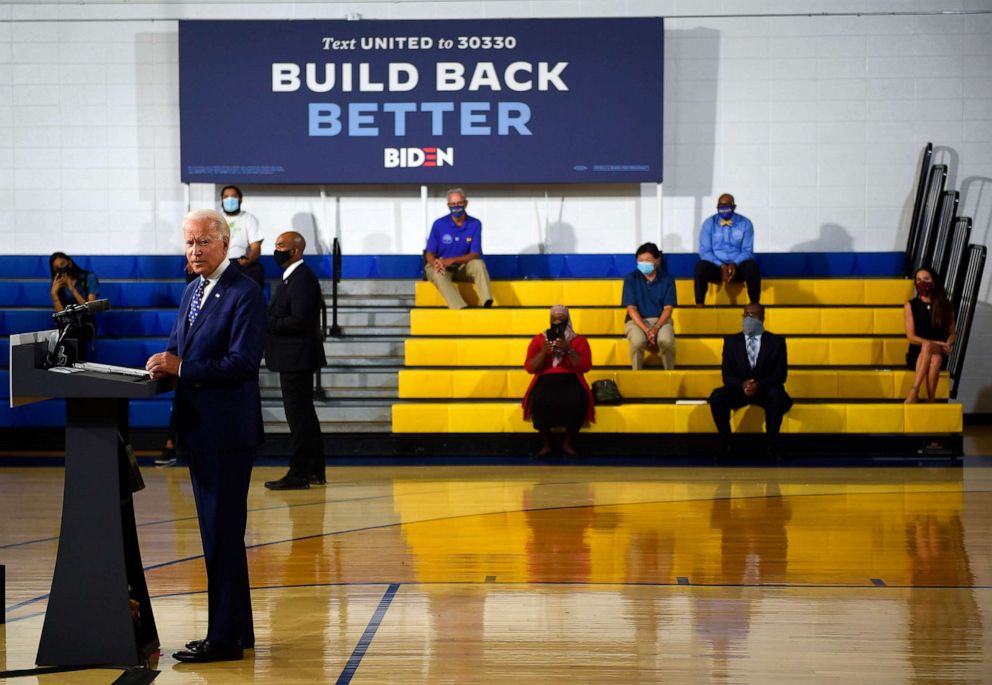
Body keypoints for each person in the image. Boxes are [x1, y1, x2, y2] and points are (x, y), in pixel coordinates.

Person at [145, 208, 266, 663]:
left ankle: (223, 640)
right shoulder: (192, 291)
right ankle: (238, 630)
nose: (194, 251)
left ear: (224, 244)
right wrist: (164, 360)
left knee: (221, 535)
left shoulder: (245, 293)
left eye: (202, 243)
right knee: (220, 535)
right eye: (189, 243)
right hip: (200, 430)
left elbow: (242, 363)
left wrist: (185, 368)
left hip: (226, 434)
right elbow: (180, 346)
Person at [263, 231, 327, 490]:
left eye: (281, 246)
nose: (276, 250)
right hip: (294, 357)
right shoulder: (292, 278)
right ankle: (314, 470)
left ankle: (299, 472)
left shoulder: (302, 279)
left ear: (296, 251)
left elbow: (299, 320)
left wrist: (267, 322)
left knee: (299, 417)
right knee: (305, 416)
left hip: (297, 358)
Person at [708, 303, 792, 459]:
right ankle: (726, 444)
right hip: (740, 390)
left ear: (762, 318)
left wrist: (758, 384)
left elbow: (780, 375)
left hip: (765, 389)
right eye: (745, 315)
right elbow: (727, 375)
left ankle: (772, 446)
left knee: (776, 395)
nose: (748, 318)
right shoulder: (731, 341)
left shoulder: (777, 342)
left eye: (752, 315)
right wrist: (742, 385)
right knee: (717, 396)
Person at [522, 305, 594, 457]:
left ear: (567, 320)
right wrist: (543, 352)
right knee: (538, 401)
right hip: (545, 379)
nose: (556, 321)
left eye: (560, 318)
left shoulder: (578, 340)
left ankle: (567, 443)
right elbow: (530, 367)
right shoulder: (539, 339)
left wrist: (569, 349)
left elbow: (585, 366)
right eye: (553, 318)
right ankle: (546, 444)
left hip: (571, 378)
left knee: (577, 400)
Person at [424, 187, 493, 309]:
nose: (456, 207)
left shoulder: (475, 224)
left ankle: (487, 301)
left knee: (478, 264)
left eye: (459, 203)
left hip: (461, 267)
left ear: (466, 203)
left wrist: (453, 260)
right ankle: (460, 307)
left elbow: (475, 254)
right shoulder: (439, 224)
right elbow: (430, 253)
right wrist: (437, 264)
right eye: (452, 204)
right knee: (438, 274)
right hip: (440, 266)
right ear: (448, 205)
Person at [694, 193, 761, 305]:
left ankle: (755, 305)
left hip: (737, 267)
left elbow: (747, 250)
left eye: (727, 205)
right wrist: (721, 266)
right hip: (716, 268)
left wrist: (734, 264)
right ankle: (699, 304)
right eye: (721, 205)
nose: (724, 208)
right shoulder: (708, 224)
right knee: (700, 267)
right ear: (717, 207)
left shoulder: (745, 223)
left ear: (734, 207)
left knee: (752, 267)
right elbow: (705, 251)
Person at [621, 242, 677, 370]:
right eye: (640, 260)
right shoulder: (631, 278)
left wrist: (656, 328)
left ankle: (670, 373)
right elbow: (631, 309)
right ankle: (636, 374)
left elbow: (668, 308)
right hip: (636, 322)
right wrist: (647, 330)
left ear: (657, 260)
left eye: (647, 260)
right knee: (637, 342)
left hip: (661, 321)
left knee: (666, 341)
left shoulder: (667, 279)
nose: (644, 263)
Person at [904, 267, 955, 404]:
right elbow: (910, 336)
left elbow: (952, 333)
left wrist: (949, 343)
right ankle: (931, 399)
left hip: (940, 348)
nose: (922, 283)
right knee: (936, 359)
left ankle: (914, 391)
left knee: (932, 350)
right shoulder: (910, 305)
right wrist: (937, 343)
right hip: (917, 353)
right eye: (919, 280)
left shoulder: (946, 305)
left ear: (934, 282)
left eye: (926, 279)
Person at [49, 252, 101, 359]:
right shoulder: (58, 285)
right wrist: (54, 295)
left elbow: (90, 309)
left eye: (62, 264)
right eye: (56, 268)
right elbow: (61, 315)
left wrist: (72, 289)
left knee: (74, 335)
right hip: (67, 325)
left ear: (69, 262)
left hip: (85, 323)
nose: (61, 269)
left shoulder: (88, 278)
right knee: (61, 335)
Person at [221, 184, 265, 287]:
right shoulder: (216, 219)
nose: (230, 199)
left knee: (256, 270)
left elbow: (255, 247)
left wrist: (248, 260)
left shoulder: (249, 218)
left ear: (240, 199)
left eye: (233, 196)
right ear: (222, 200)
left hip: (241, 261)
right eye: (226, 197)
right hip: (220, 262)